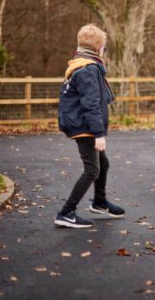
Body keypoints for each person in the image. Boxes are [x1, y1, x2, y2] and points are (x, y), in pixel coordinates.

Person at [56, 24, 123, 228]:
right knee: (92, 170)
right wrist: (98, 133)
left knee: (103, 164)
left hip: (84, 124)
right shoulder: (87, 69)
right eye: (103, 47)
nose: (104, 50)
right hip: (84, 126)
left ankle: (100, 202)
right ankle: (66, 212)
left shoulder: (82, 64)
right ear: (98, 49)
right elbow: (90, 103)